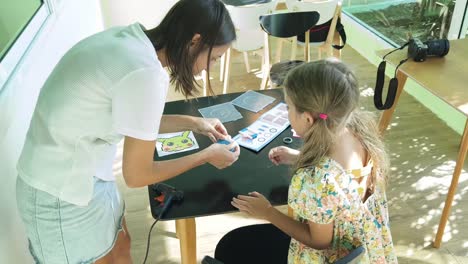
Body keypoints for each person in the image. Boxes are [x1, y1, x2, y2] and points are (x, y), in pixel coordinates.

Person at [15, 0, 239, 263]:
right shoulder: (144, 71)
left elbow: (136, 119)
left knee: (122, 244)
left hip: (86, 175)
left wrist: (194, 123)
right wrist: (206, 156)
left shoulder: (131, 40)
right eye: (212, 58)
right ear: (194, 41)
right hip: (60, 195)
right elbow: (137, 174)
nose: (208, 68)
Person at [216, 59, 397, 263]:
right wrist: (298, 157)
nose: (287, 113)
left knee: (232, 247)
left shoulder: (315, 180)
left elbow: (319, 241)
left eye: (289, 107)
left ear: (308, 119)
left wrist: (267, 212)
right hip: (367, 246)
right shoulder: (360, 130)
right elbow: (343, 177)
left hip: (330, 254)